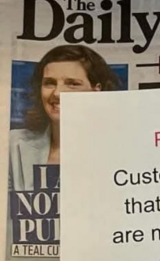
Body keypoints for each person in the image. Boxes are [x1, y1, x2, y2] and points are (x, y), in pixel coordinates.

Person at [9, 45, 120, 190]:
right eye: (49, 83)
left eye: (72, 84)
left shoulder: (118, 150)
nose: (57, 93)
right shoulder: (13, 144)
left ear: (96, 90)